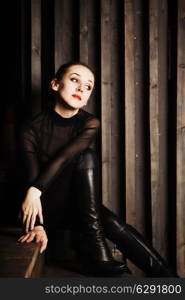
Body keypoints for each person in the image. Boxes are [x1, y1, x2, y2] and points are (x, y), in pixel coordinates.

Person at [18, 61, 177, 277]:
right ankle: (97, 250)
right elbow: (31, 175)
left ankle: (169, 279)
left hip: (79, 207)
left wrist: (35, 188)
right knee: (105, 217)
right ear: (55, 84)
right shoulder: (31, 127)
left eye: (88, 86)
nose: (81, 88)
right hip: (44, 207)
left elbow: (66, 157)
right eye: (74, 80)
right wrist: (36, 224)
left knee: (110, 218)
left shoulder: (89, 122)